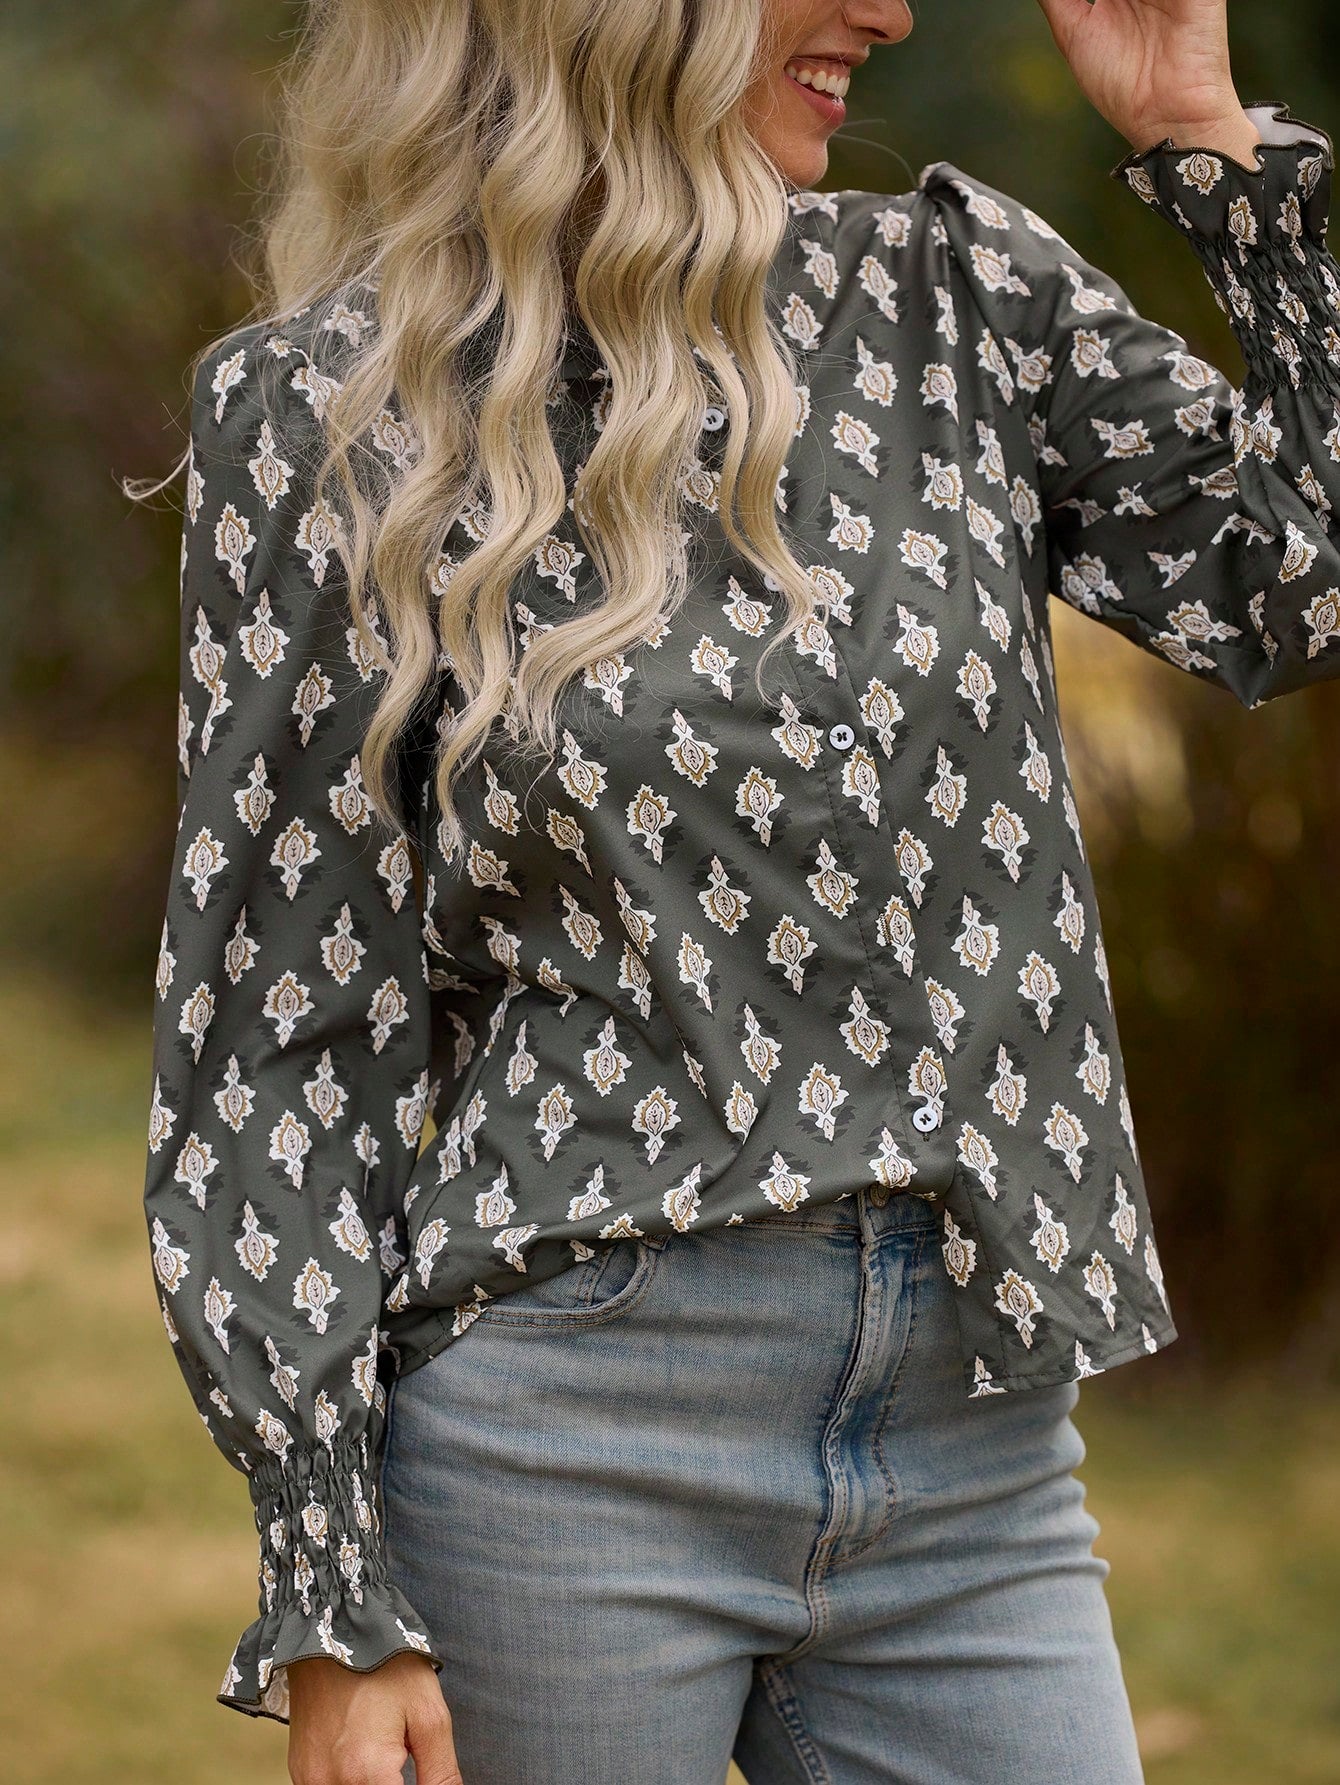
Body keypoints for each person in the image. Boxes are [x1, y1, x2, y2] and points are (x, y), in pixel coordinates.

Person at [137, 0, 1340, 1779]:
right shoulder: (330, 412)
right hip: (566, 1446)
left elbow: (1299, 583)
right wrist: (333, 1585)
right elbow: (284, 1026)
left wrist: (1204, 137)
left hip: (975, 1441)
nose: (892, 11)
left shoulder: (954, 302)